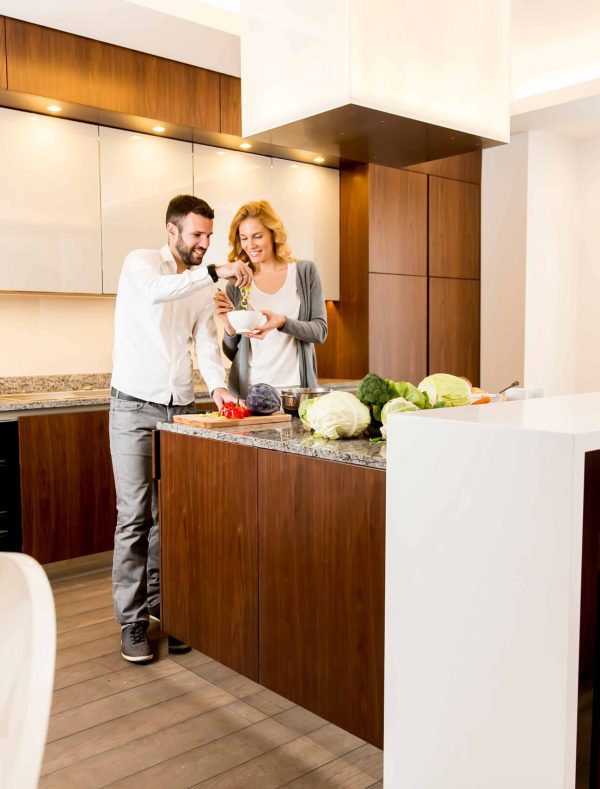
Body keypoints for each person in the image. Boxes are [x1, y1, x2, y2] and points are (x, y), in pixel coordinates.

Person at [110, 194, 252, 663]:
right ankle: (132, 622)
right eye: (197, 235)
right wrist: (214, 273)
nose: (204, 244)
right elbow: (158, 292)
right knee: (135, 516)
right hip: (132, 407)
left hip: (180, 410)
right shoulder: (141, 264)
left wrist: (217, 390)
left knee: (171, 519)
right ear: (172, 231)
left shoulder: (197, 285)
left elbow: (206, 346)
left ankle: (164, 609)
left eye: (209, 236)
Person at [214, 200, 327, 397]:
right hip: (249, 393)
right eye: (244, 238)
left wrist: (282, 322)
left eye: (257, 236)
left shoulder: (304, 272)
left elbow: (320, 331)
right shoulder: (237, 283)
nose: (251, 245)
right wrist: (229, 325)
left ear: (273, 234)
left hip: (295, 392)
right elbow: (232, 353)